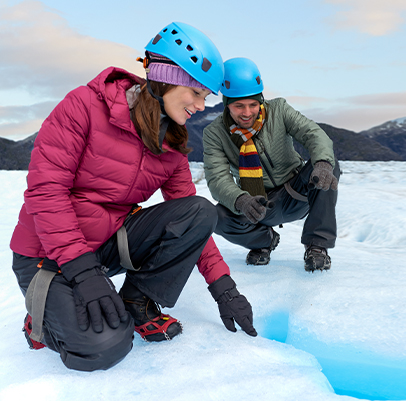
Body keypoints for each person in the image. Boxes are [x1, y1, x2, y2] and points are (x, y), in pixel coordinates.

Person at [10, 22, 257, 372]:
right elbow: (46, 191)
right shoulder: (83, 106)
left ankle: (136, 300)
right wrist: (83, 271)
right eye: (198, 93)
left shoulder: (172, 145)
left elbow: (194, 222)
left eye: (206, 98)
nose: (202, 106)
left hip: (107, 245)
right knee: (105, 346)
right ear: (169, 77)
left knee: (201, 211)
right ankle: (42, 322)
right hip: (48, 255)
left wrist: (224, 288)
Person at [202, 57, 339, 272]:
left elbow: (314, 134)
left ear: (261, 100)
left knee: (327, 162)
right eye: (239, 106)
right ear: (227, 103)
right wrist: (241, 200)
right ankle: (264, 242)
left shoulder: (279, 110)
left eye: (253, 105)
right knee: (217, 216)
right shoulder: (214, 134)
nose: (247, 113)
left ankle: (317, 247)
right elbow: (217, 178)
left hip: (298, 192)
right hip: (258, 204)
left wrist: (323, 163)